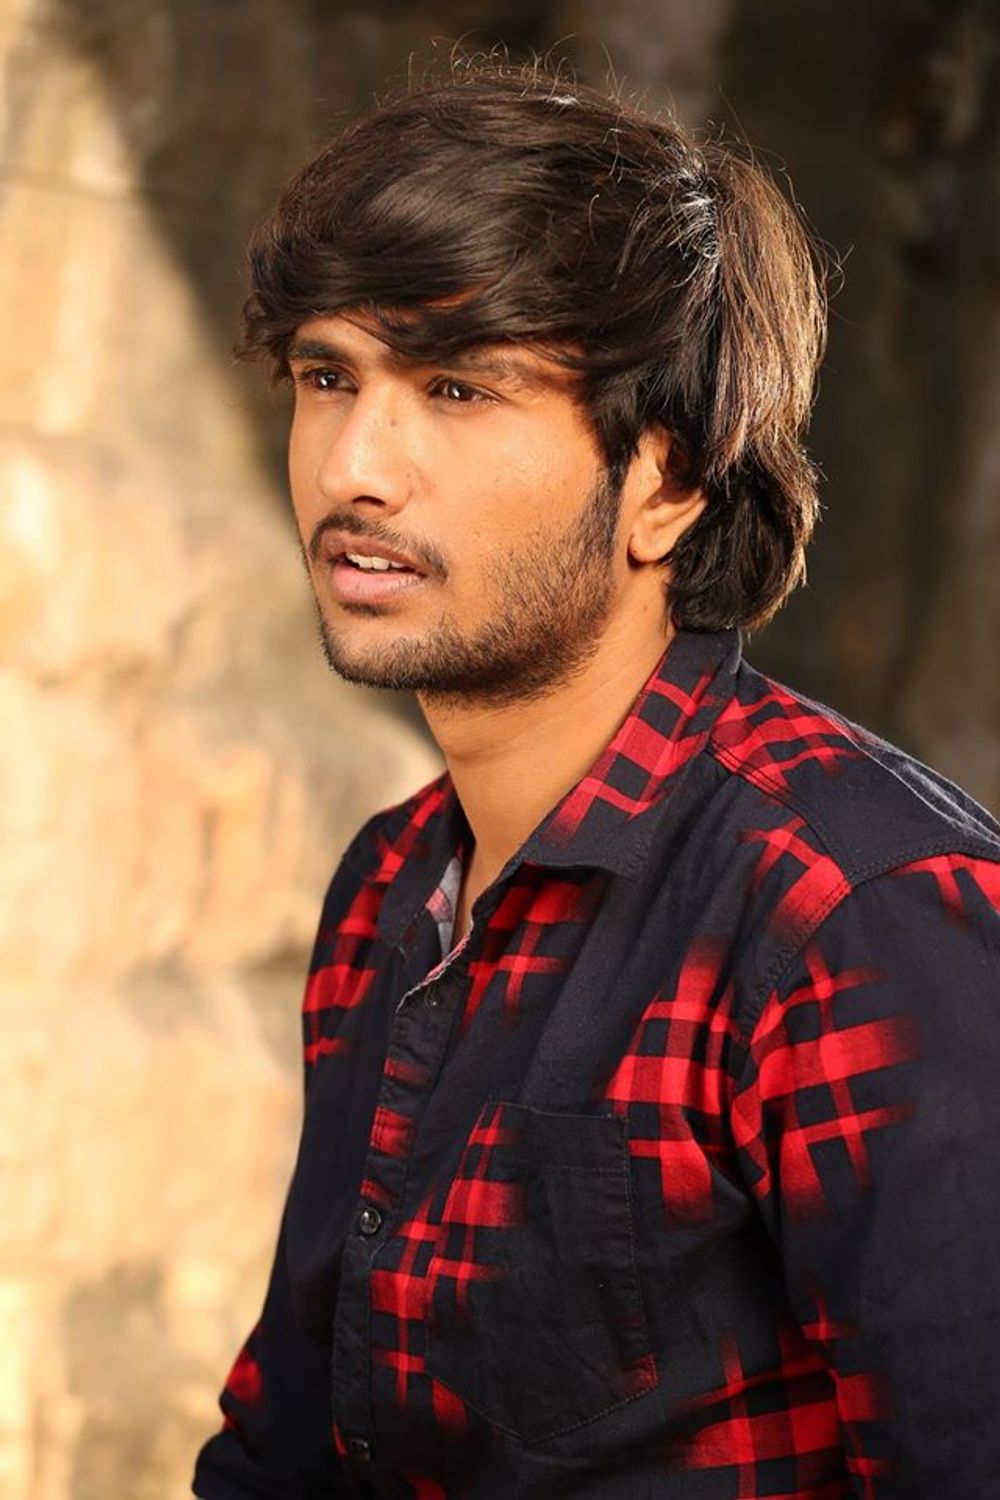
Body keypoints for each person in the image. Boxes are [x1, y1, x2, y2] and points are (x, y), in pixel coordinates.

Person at [192, 58, 1000, 1500]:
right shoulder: (392, 885)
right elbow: (292, 1449)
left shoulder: (855, 912)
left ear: (667, 484)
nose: (356, 466)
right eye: (329, 377)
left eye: (458, 387)